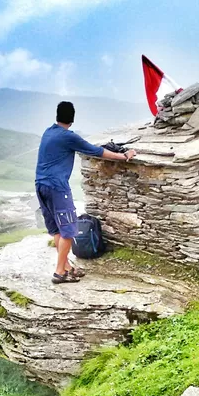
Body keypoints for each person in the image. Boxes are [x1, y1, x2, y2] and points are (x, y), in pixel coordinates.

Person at [35, 101, 136, 284]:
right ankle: (60, 273)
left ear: (57, 116)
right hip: (57, 188)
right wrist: (123, 156)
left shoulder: (48, 132)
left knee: (57, 230)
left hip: (40, 185)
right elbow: (96, 151)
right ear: (72, 119)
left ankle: (67, 267)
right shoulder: (68, 137)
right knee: (68, 230)